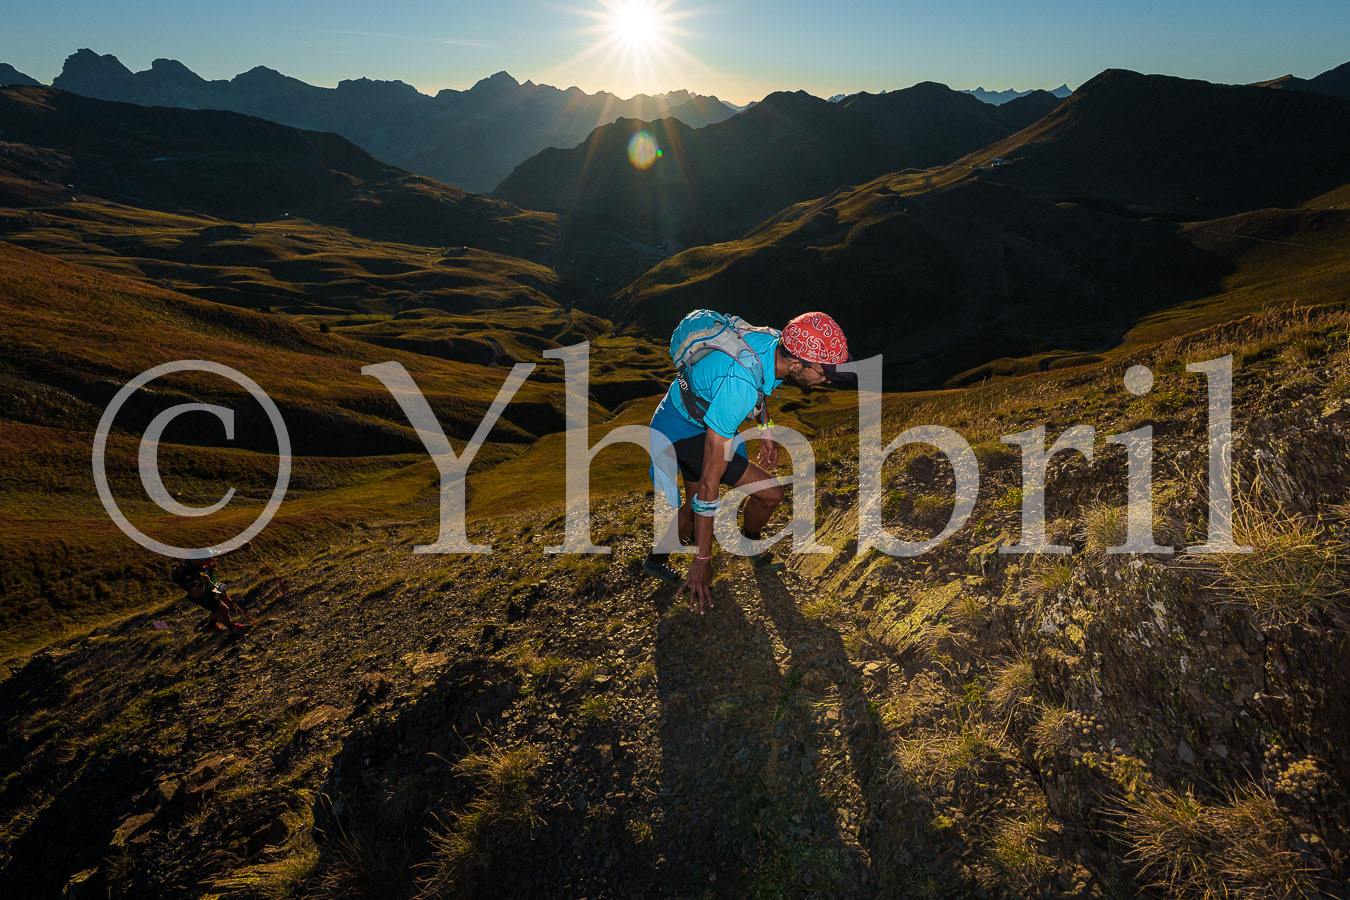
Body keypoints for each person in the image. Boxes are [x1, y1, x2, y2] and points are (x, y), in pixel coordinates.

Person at [642, 311, 854, 614]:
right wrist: (703, 561)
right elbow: (710, 484)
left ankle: (655, 560)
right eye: (824, 373)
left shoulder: (774, 342)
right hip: (682, 432)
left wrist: (765, 428)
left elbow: (761, 383)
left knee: (691, 505)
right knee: (770, 493)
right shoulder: (739, 386)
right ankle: (749, 544)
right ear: (797, 364)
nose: (826, 380)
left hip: (687, 416)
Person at [171, 543, 252, 631]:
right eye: (208, 558)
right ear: (199, 561)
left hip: (213, 584)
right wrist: (201, 583)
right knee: (223, 609)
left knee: (225, 601)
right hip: (201, 595)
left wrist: (242, 549)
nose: (211, 559)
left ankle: (211, 626)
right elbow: (196, 592)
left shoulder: (204, 557)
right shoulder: (188, 573)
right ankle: (232, 628)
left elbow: (222, 553)